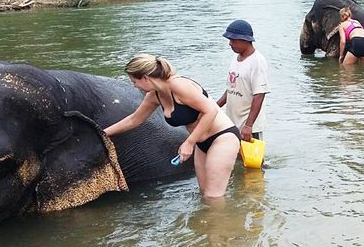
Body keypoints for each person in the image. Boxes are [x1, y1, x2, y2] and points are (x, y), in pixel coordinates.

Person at [104, 54, 240, 198]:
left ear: (145, 78)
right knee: (204, 195)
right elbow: (134, 119)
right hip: (201, 143)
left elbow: (211, 110)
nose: (134, 86)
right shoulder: (154, 96)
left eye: (134, 81)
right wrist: (102, 133)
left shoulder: (179, 85)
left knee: (213, 196)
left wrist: (189, 143)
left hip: (222, 137)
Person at [217, 20, 269, 142]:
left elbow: (259, 94)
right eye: (229, 40)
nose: (230, 44)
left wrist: (248, 126)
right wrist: (215, 107)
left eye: (233, 40)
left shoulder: (257, 62)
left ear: (245, 40)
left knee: (253, 160)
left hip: (249, 127)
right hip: (233, 122)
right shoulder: (236, 58)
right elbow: (231, 88)